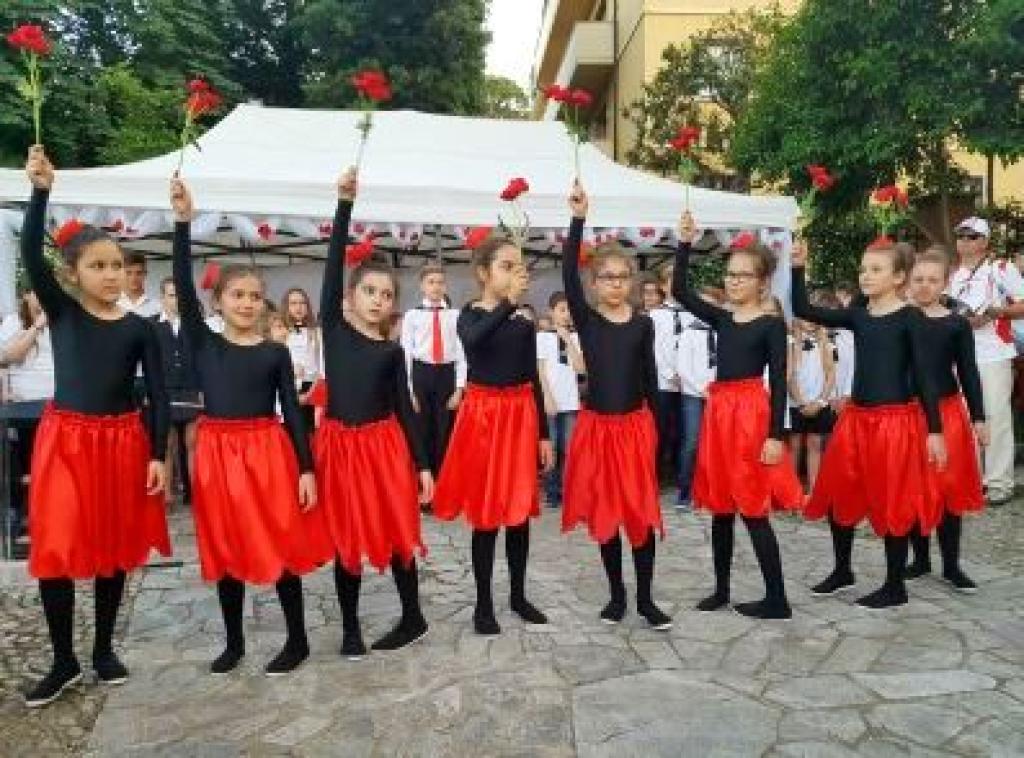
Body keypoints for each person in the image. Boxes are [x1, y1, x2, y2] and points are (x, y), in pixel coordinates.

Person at [20, 146, 170, 707]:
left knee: (113, 546)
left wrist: (157, 454)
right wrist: (41, 193)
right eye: (98, 266)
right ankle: (63, 660)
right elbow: (32, 258)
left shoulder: (140, 329)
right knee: (56, 548)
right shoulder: (63, 312)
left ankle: (104, 649)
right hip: (66, 441)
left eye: (117, 266)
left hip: (123, 443)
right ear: (73, 273)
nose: (111, 275)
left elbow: (158, 395)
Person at [170, 176, 328, 676]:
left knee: (280, 539)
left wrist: (306, 468)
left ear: (264, 304)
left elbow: (292, 412)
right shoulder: (205, 343)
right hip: (217, 453)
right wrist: (182, 225)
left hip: (266, 449)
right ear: (219, 301)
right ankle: (234, 642)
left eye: (255, 296)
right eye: (237, 295)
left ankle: (297, 639)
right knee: (226, 544)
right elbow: (183, 286)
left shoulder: (275, 353)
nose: (246, 303)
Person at [792, 238, 947, 609]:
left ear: (898, 277)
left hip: (895, 423)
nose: (866, 275)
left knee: (893, 500)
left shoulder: (911, 318)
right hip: (855, 420)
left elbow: (925, 377)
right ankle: (842, 570)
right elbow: (802, 308)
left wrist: (935, 430)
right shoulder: (859, 316)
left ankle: (895, 586)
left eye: (876, 269)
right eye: (863, 269)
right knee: (837, 493)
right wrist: (798, 267)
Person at [315, 168, 433, 657]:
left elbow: (405, 409)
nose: (378, 300)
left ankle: (413, 617)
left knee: (396, 529)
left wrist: (423, 465)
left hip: (383, 448)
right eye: (370, 291)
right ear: (350, 297)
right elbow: (330, 274)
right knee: (346, 539)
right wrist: (344, 206)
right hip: (340, 448)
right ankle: (350, 629)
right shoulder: (335, 331)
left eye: (386, 295)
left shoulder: (391, 352)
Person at [674, 216, 802, 619]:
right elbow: (679, 291)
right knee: (721, 508)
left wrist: (775, 435)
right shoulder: (723, 318)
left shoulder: (770, 325)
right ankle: (721, 590)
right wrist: (684, 244)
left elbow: (778, 382)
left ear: (762, 282)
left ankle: (777, 598)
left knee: (753, 507)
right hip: (720, 415)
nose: (734, 281)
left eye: (743, 275)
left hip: (750, 417)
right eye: (730, 274)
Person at [560, 183, 671, 629]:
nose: (616, 284)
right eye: (607, 277)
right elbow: (567, 273)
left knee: (640, 517)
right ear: (594, 283)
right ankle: (617, 596)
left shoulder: (643, 325)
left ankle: (645, 599)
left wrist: (660, 436)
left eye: (623, 277)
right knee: (606, 516)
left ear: (632, 282)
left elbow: (651, 379)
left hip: (635, 428)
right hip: (598, 430)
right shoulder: (587, 320)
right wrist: (578, 220)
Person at [433, 232, 554, 636]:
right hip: (484, 418)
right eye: (506, 266)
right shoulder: (469, 314)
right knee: (486, 516)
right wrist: (508, 304)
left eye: (518, 267)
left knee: (518, 512)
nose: (515, 274)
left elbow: (531, 378)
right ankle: (483, 604)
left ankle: (518, 596)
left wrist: (543, 433)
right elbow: (475, 340)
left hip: (519, 418)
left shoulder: (523, 321)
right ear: (483, 273)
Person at [905, 249, 987, 591]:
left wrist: (979, 417)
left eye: (932, 280)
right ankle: (920, 559)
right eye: (918, 279)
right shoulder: (900, 319)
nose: (925, 286)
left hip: (948, 413)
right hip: (908, 413)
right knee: (912, 487)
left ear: (945, 283)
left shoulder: (956, 324)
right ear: (908, 281)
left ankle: (951, 565)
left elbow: (968, 371)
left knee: (948, 487)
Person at [948, 217, 1024, 506]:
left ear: (984, 241)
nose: (964, 241)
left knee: (995, 415)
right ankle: (973, 480)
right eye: (961, 236)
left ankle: (999, 482)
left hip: (994, 352)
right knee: (964, 416)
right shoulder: (953, 275)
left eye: (971, 236)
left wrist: (995, 312)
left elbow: (1022, 303)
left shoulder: (1000, 268)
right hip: (960, 355)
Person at [399, 264, 467, 481]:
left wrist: (459, 388)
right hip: (421, 373)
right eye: (431, 282)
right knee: (422, 428)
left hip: (446, 374)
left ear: (445, 286)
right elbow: (406, 354)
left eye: (440, 282)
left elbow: (462, 352)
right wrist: (409, 391)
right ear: (422, 286)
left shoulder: (455, 315)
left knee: (445, 429)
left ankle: (443, 480)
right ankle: (424, 482)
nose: (436, 287)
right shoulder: (412, 316)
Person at [0, 289, 55, 541]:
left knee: (50, 467)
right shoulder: (14, 322)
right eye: (36, 292)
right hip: (23, 409)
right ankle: (22, 516)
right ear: (26, 296)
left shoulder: (62, 319)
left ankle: (48, 519)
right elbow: (8, 357)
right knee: (23, 464)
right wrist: (36, 327)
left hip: (56, 407)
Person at [152, 278, 201, 506]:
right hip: (164, 390)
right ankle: (167, 495)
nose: (177, 300)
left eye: (180, 295)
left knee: (193, 443)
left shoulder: (195, 324)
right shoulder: (151, 325)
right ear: (162, 298)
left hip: (192, 389)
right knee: (167, 444)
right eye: (172, 295)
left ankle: (197, 494)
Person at [536, 291, 585, 508]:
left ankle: (568, 490)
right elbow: (540, 371)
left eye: (569, 311)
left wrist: (568, 340)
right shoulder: (542, 337)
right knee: (552, 447)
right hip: (551, 400)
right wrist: (547, 397)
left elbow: (581, 368)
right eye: (562, 310)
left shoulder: (576, 337)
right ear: (551, 312)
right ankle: (552, 492)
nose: (566, 315)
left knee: (569, 447)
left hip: (571, 400)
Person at [675, 289, 718, 511]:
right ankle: (684, 492)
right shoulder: (689, 333)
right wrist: (702, 390)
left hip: (719, 395)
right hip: (694, 394)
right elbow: (683, 368)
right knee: (691, 443)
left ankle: (711, 491)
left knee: (715, 444)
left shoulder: (722, 331)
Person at [648, 263, 688, 489]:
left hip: (688, 384)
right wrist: (670, 374)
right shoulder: (656, 315)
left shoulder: (691, 313)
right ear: (663, 286)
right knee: (660, 430)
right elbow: (655, 350)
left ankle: (681, 477)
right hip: (663, 382)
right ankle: (655, 476)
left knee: (684, 432)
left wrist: (686, 375)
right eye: (671, 278)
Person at [787, 315, 836, 491]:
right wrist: (801, 402)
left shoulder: (827, 342)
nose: (810, 321)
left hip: (819, 402)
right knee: (794, 445)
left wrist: (821, 401)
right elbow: (790, 376)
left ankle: (813, 489)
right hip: (796, 403)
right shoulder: (790, 341)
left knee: (815, 444)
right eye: (805, 317)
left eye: (813, 317)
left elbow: (831, 374)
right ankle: (792, 490)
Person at [281, 288, 321, 435]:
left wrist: (309, 394)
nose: (298, 307)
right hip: (287, 388)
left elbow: (321, 368)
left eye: (302, 303)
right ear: (286, 306)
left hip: (311, 389)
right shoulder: (281, 332)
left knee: (310, 434)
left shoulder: (316, 332)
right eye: (293, 303)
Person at [117, 252, 161, 318]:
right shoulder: (112, 304)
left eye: (139, 273)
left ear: (145, 274)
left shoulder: (157, 307)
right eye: (128, 273)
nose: (133, 278)